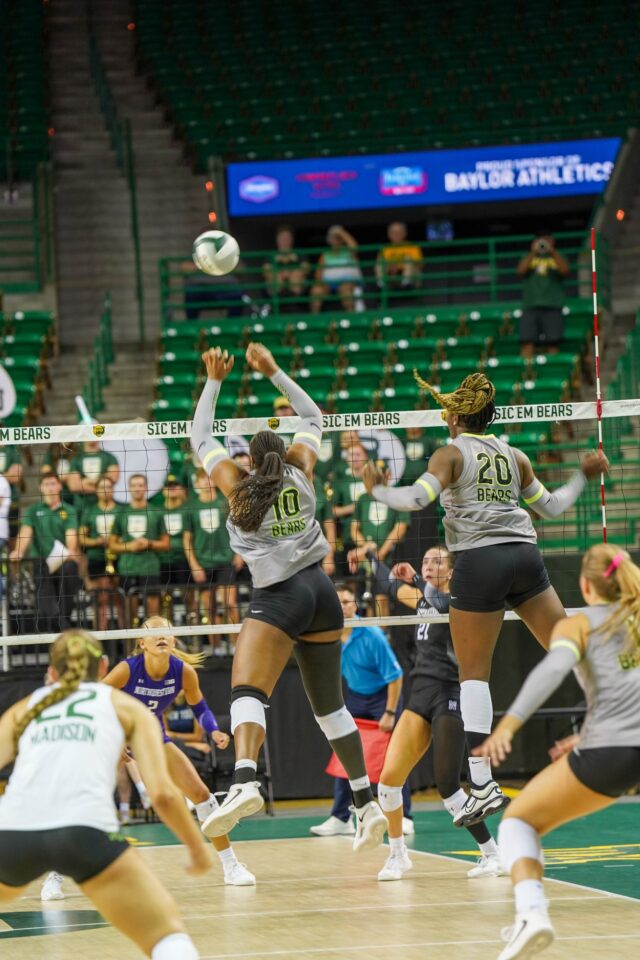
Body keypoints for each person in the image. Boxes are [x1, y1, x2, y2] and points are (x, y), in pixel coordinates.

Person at [363, 372, 607, 828]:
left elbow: (419, 497)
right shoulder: (514, 456)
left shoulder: (451, 454)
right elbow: (551, 508)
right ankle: (610, 720)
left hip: (478, 561)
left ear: (456, 417)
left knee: (474, 674)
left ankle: (482, 780)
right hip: (525, 555)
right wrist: (582, 475)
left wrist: (376, 489)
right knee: (566, 643)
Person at [188, 342, 387, 850]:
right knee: (331, 710)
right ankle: (366, 803)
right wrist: (274, 370)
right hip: (322, 591)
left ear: (249, 460)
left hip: (278, 596)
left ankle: (244, 780)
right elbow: (312, 416)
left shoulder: (235, 485)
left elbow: (197, 435)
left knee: (247, 691)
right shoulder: (301, 469)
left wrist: (215, 378)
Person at [0, 629, 211, 960]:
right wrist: (198, 848)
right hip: (85, 833)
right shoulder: (126, 707)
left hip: (13, 832)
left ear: (51, 672)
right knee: (166, 933)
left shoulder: (26, 707)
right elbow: (163, 795)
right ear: (102, 668)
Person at [476, 544, 640, 960]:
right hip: (610, 742)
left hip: (613, 754)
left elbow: (553, 669)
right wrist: (586, 733)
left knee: (518, 823)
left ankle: (532, 913)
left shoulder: (578, 624)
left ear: (585, 585)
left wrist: (508, 724)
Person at [370, 547, 502, 881]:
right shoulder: (424, 599)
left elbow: (427, 598)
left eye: (436, 562)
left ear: (454, 571)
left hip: (450, 693)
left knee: (447, 785)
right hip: (420, 692)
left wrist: (415, 578)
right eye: (425, 561)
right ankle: (397, 855)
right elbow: (392, 589)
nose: (429, 565)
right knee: (387, 783)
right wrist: (372, 559)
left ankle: (492, 853)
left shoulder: (459, 600)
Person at [104, 616, 254, 887]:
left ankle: (231, 866)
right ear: (142, 642)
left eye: (166, 632)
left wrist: (214, 731)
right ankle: (54, 877)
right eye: (154, 633)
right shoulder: (127, 669)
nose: (161, 636)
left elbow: (200, 707)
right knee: (81, 798)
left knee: (202, 795)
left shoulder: (183, 671)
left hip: (151, 736)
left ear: (173, 640)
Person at [310, 584, 412, 838]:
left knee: (393, 758)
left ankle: (405, 816)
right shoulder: (327, 635)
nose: (342, 606)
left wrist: (389, 712)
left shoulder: (371, 635)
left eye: (346, 601)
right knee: (347, 755)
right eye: (337, 602)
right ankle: (341, 817)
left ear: (355, 606)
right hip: (357, 696)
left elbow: (396, 677)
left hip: (383, 697)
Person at [10, 473, 82, 632]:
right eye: (46, 484)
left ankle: (63, 620)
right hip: (42, 561)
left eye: (53, 483)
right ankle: (57, 622)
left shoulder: (68, 510)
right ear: (41, 488)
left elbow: (71, 537)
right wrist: (18, 551)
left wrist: (70, 550)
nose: (50, 487)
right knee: (42, 572)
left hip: (63, 559)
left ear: (59, 486)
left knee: (70, 568)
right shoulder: (33, 510)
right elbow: (26, 532)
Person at [183, 468, 240, 636]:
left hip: (225, 561)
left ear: (215, 481)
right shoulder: (191, 507)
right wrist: (194, 566)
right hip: (203, 563)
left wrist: (239, 553)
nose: (206, 482)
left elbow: (239, 530)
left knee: (230, 604)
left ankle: (235, 648)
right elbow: (187, 539)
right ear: (196, 483)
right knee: (210, 608)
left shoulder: (225, 502)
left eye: (209, 478)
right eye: (202, 479)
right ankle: (215, 650)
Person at [109, 474, 170, 626]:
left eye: (141, 485)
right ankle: (131, 649)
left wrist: (148, 544)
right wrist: (130, 546)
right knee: (130, 617)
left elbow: (166, 544)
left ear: (146, 488)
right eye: (134, 485)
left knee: (153, 617)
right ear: (129, 488)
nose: (137, 488)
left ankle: (154, 647)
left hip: (150, 568)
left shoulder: (156, 512)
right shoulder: (121, 513)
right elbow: (112, 545)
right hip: (128, 568)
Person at [347, 487, 409, 616]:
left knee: (382, 599)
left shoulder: (395, 495)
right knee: (367, 600)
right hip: (366, 560)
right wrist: (367, 549)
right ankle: (372, 634)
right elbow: (354, 529)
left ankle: (383, 634)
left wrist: (380, 553)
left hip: (388, 559)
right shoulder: (363, 498)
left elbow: (401, 527)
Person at [516, 230, 570, 359]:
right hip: (531, 305)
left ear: (552, 241)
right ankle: (526, 374)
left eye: (547, 240)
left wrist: (552, 252)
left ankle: (553, 374)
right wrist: (533, 252)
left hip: (553, 305)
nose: (543, 244)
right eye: (541, 241)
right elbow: (520, 271)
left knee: (553, 343)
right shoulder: (528, 257)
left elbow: (565, 271)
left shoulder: (559, 256)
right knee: (527, 343)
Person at [80, 475, 121, 629]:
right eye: (101, 488)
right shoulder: (90, 511)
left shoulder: (121, 510)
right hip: (97, 558)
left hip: (119, 558)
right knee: (101, 600)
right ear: (96, 491)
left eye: (109, 487)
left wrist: (115, 541)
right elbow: (81, 538)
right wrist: (97, 542)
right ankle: (100, 640)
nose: (105, 491)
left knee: (119, 598)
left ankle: (125, 641)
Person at [310, 225, 361, 314]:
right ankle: (314, 318)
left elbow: (354, 247)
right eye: (333, 238)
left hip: (346, 283)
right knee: (316, 291)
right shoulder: (325, 255)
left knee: (345, 290)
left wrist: (341, 232)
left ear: (342, 240)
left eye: (338, 238)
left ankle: (351, 316)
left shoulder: (348, 252)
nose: (335, 241)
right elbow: (318, 275)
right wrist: (323, 284)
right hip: (328, 284)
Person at [262, 224, 310, 306]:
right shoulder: (271, 256)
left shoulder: (299, 254)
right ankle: (278, 305)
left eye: (287, 238)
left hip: (295, 285)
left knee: (297, 274)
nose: (285, 241)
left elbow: (306, 268)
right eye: (282, 238)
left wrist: (290, 273)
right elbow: (265, 270)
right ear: (277, 240)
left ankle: (294, 303)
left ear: (292, 240)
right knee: (273, 275)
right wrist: (281, 274)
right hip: (277, 285)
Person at [67, 440, 120, 508]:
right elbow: (74, 486)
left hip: (106, 506)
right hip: (82, 506)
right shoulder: (76, 459)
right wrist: (101, 485)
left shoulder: (109, 457)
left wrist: (86, 481)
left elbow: (113, 479)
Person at [375, 221, 423, 293]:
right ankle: (381, 285)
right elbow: (379, 265)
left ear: (405, 233)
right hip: (391, 276)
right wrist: (390, 268)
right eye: (394, 233)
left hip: (411, 276)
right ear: (389, 235)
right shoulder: (385, 249)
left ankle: (406, 284)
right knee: (381, 262)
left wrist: (398, 267)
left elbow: (419, 265)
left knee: (408, 259)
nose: (397, 235)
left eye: (400, 232)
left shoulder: (412, 246)